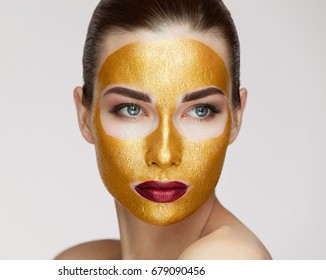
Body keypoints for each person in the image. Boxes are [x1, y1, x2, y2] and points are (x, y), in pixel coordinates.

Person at [56, 0, 272, 260]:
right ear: (84, 116)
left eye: (200, 110)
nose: (165, 154)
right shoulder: (80, 262)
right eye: (131, 109)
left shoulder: (228, 259)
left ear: (236, 118)